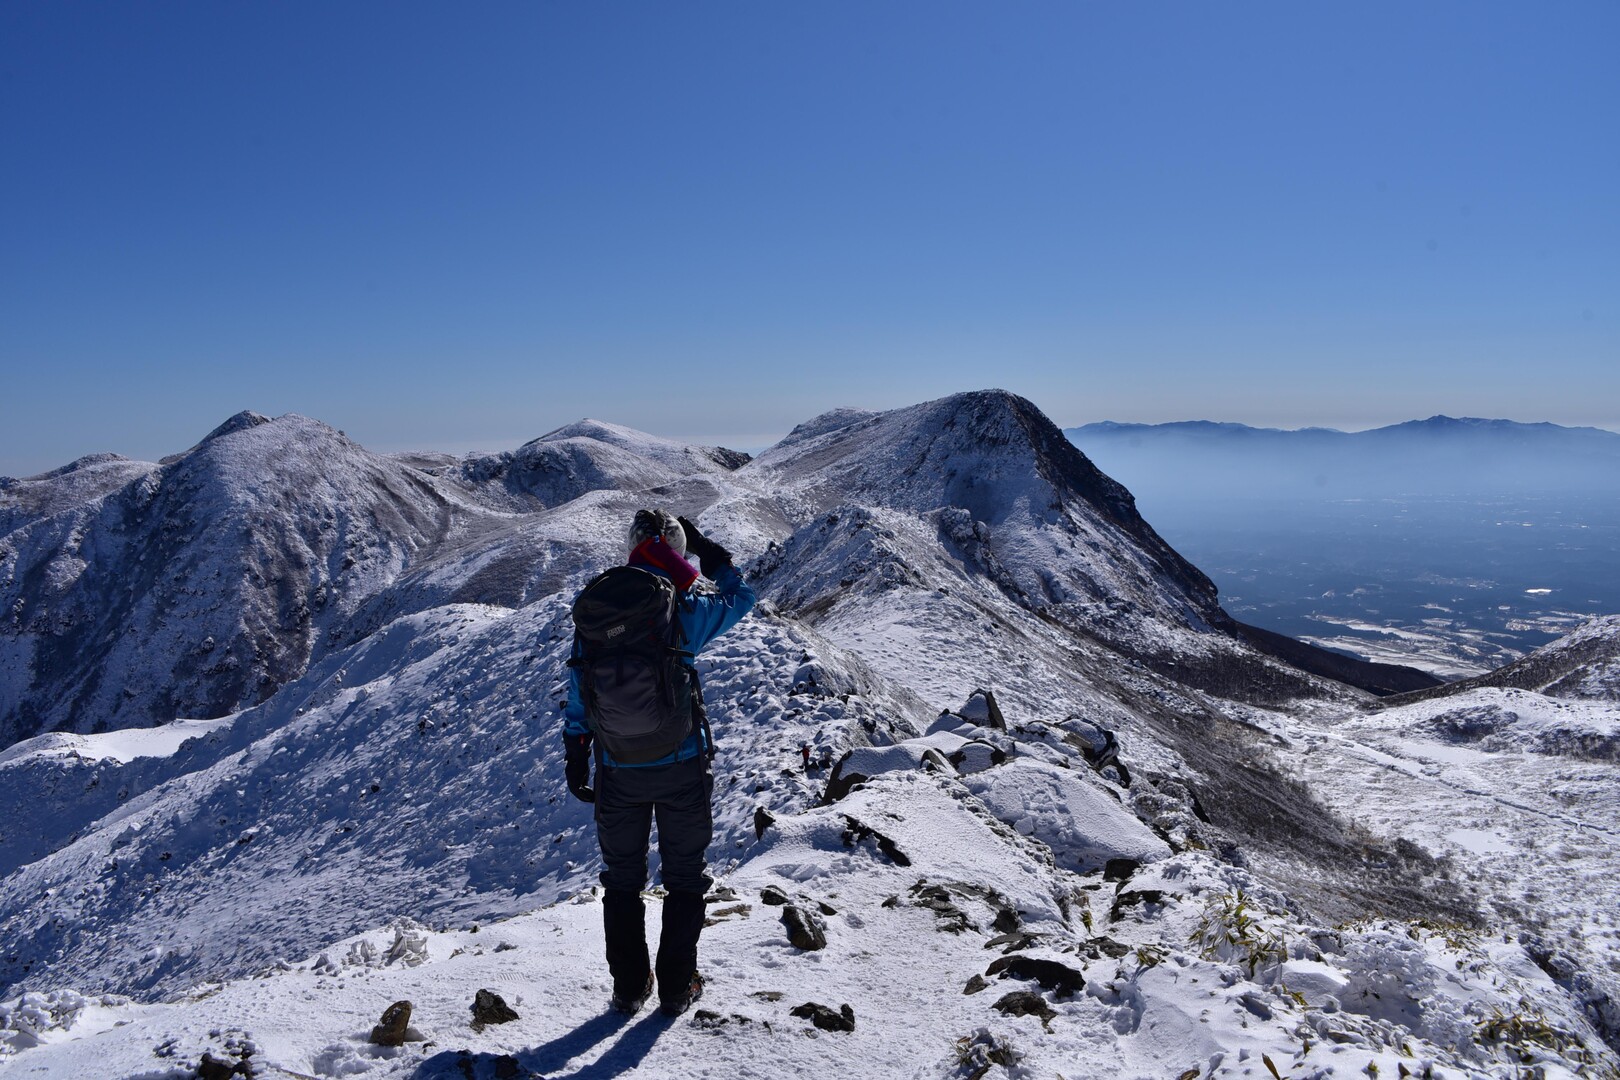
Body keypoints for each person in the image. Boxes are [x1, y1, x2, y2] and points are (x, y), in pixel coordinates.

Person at [562, 509, 755, 1017]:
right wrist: (713, 556)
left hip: (617, 768)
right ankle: (676, 985)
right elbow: (742, 598)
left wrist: (576, 753)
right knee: (685, 876)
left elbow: (579, 690)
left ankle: (629, 987)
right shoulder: (684, 610)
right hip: (681, 765)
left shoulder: (597, 612)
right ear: (677, 549)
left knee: (622, 879)